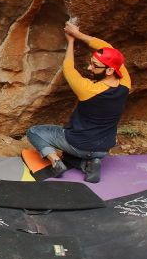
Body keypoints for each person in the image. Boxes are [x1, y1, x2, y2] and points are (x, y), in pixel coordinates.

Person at [26, 21, 130, 183]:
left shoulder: (87, 89)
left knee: (34, 131)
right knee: (74, 151)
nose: (89, 68)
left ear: (109, 70)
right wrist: (78, 33)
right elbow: (108, 48)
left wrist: (71, 41)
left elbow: (69, 69)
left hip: (78, 144)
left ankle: (56, 162)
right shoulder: (125, 83)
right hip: (104, 148)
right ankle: (90, 162)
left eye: (95, 66)